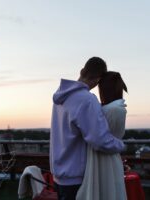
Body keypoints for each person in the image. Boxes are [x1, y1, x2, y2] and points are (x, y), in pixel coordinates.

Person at [50, 57, 125, 200]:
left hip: (59, 175)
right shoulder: (87, 100)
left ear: (82, 71)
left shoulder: (60, 97)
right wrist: (121, 145)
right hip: (76, 178)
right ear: (98, 80)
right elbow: (99, 140)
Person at [76, 71, 128, 200]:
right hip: (111, 156)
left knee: (103, 191)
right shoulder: (118, 108)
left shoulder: (109, 110)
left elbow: (94, 135)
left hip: (100, 157)